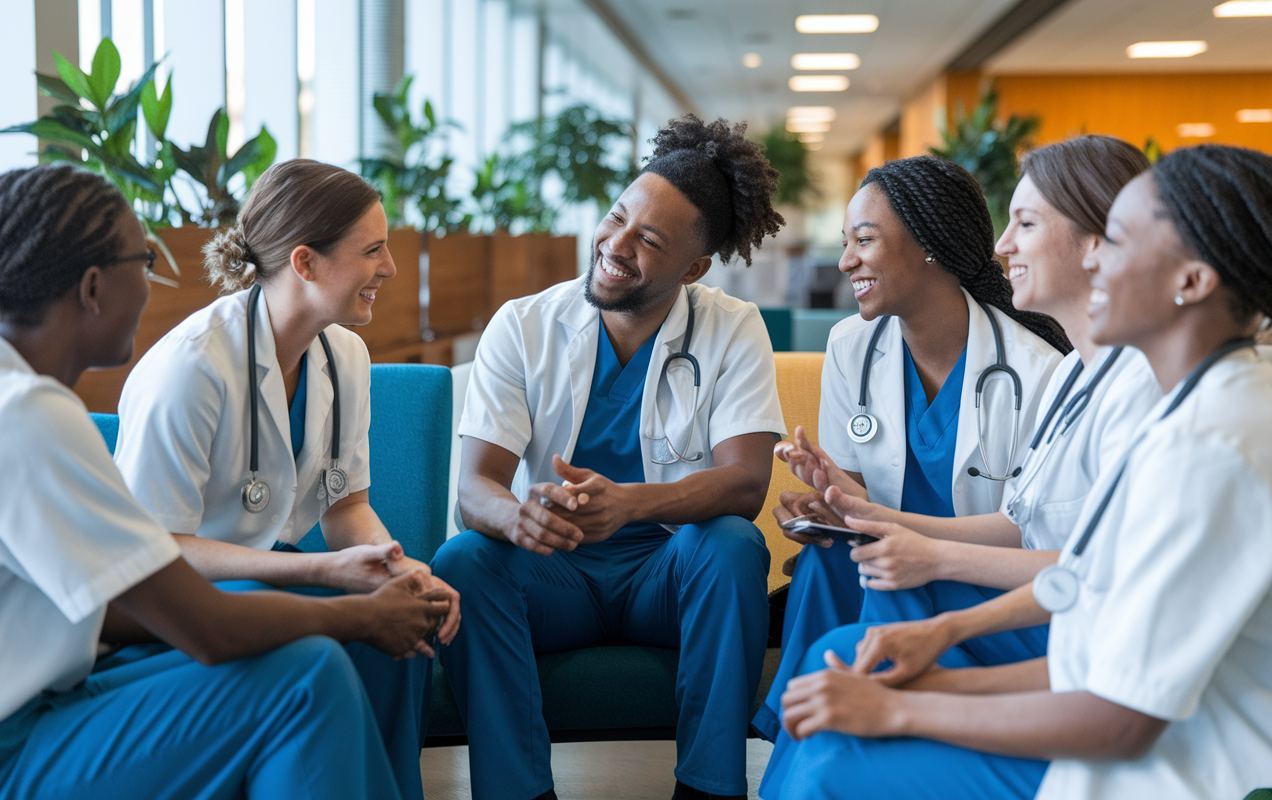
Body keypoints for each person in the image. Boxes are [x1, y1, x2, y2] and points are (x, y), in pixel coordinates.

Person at [772, 144, 1272, 800]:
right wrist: (936, 648)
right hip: (1112, 705)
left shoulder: (1209, 445)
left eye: (1114, 241)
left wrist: (900, 706)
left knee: (837, 762)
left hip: (1176, 769)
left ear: (1192, 282)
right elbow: (1087, 589)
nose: (1094, 260)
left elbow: (1120, 716)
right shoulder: (1195, 407)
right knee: (849, 692)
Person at [0, 163, 451, 799]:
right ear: (95, 286)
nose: (156, 283)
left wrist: (382, 574)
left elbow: (104, 604)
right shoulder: (31, 415)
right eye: (146, 260)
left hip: (61, 685)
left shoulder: (24, 404)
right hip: (22, 733)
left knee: (345, 645)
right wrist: (351, 604)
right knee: (309, 675)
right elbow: (199, 623)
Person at [429, 115, 788, 800]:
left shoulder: (732, 326)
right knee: (463, 559)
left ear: (693, 268)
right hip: (553, 570)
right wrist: (517, 521)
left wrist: (629, 504)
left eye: (647, 240)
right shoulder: (524, 324)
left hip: (665, 571)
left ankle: (710, 788)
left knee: (733, 546)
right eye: (617, 218)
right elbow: (474, 490)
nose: (615, 246)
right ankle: (518, 792)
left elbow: (746, 483)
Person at [754, 155, 1069, 744]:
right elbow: (863, 499)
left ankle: (837, 737)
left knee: (872, 570)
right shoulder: (851, 345)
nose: (845, 260)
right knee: (826, 556)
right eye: (846, 241)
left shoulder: (1036, 371)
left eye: (864, 240)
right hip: (888, 557)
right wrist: (829, 499)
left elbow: (1034, 534)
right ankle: (805, 740)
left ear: (930, 244)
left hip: (983, 580)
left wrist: (890, 531)